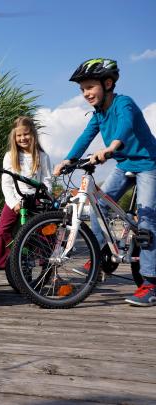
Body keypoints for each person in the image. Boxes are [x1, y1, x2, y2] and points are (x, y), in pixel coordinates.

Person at [53, 58, 156, 306]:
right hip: (124, 165)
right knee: (98, 206)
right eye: (82, 90)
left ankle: (150, 284)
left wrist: (111, 147)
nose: (86, 93)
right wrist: (67, 160)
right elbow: (85, 136)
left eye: (90, 87)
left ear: (107, 83)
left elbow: (125, 126)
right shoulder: (98, 114)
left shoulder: (124, 103)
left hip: (148, 165)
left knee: (146, 219)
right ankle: (103, 255)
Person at [0, 116, 53, 271]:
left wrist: (43, 198)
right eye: (19, 135)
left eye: (26, 134)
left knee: (45, 231)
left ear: (33, 135)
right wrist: (13, 203)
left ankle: (47, 266)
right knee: (3, 230)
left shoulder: (42, 156)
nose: (23, 138)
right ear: (14, 137)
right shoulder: (10, 156)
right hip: (16, 198)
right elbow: (7, 183)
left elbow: (48, 181)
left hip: (36, 199)